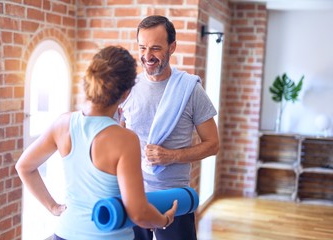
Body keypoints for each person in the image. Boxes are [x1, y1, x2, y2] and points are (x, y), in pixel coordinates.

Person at [15, 46, 178, 240]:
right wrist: (164, 220)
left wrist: (54, 207)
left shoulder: (63, 124)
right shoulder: (125, 139)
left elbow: (24, 166)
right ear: (126, 93)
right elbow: (139, 213)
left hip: (64, 233)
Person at [119, 15, 220, 240]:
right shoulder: (128, 90)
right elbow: (118, 137)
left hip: (175, 197)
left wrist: (171, 156)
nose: (147, 56)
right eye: (142, 47)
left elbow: (213, 144)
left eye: (155, 48)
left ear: (172, 47)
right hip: (134, 194)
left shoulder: (190, 90)